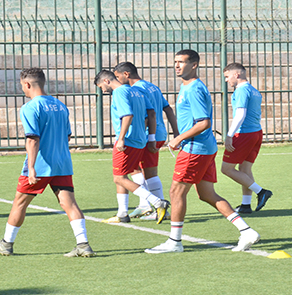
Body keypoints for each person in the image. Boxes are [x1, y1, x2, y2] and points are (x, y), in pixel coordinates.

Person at [145, 50, 260, 254]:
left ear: (194, 65)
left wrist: (179, 138)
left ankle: (175, 241)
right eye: (175, 62)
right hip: (202, 148)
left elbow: (204, 122)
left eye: (182, 62)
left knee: (176, 191)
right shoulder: (187, 86)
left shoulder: (195, 89)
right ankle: (246, 231)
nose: (177, 66)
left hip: (194, 149)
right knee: (207, 194)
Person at [0, 68, 94, 257]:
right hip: (62, 163)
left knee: (19, 203)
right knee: (69, 203)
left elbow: (33, 139)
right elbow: (67, 136)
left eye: (22, 87)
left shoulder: (30, 107)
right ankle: (83, 244)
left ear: (27, 84)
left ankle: (6, 244)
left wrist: (32, 167)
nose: (23, 90)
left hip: (41, 164)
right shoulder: (60, 106)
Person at [93, 70, 170, 224]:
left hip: (127, 141)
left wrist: (121, 139)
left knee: (119, 177)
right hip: (140, 140)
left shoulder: (119, 93)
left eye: (101, 87)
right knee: (123, 175)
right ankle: (122, 214)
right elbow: (152, 114)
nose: (102, 90)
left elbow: (127, 115)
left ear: (107, 81)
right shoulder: (136, 91)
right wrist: (151, 137)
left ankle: (157, 202)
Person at [114, 62, 179, 221]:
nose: (117, 80)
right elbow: (168, 109)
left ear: (126, 74)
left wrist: (148, 136)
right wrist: (176, 133)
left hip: (147, 134)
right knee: (141, 169)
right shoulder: (153, 87)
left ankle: (153, 206)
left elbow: (148, 114)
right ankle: (147, 206)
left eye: (117, 76)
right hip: (159, 133)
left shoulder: (136, 90)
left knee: (134, 170)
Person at [220, 62, 272, 214]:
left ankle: (261, 191)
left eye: (227, 76)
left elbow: (240, 115)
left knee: (226, 169)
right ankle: (245, 205)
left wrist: (229, 135)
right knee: (245, 168)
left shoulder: (241, 90)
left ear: (237, 74)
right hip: (256, 132)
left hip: (244, 133)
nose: (226, 80)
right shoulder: (254, 90)